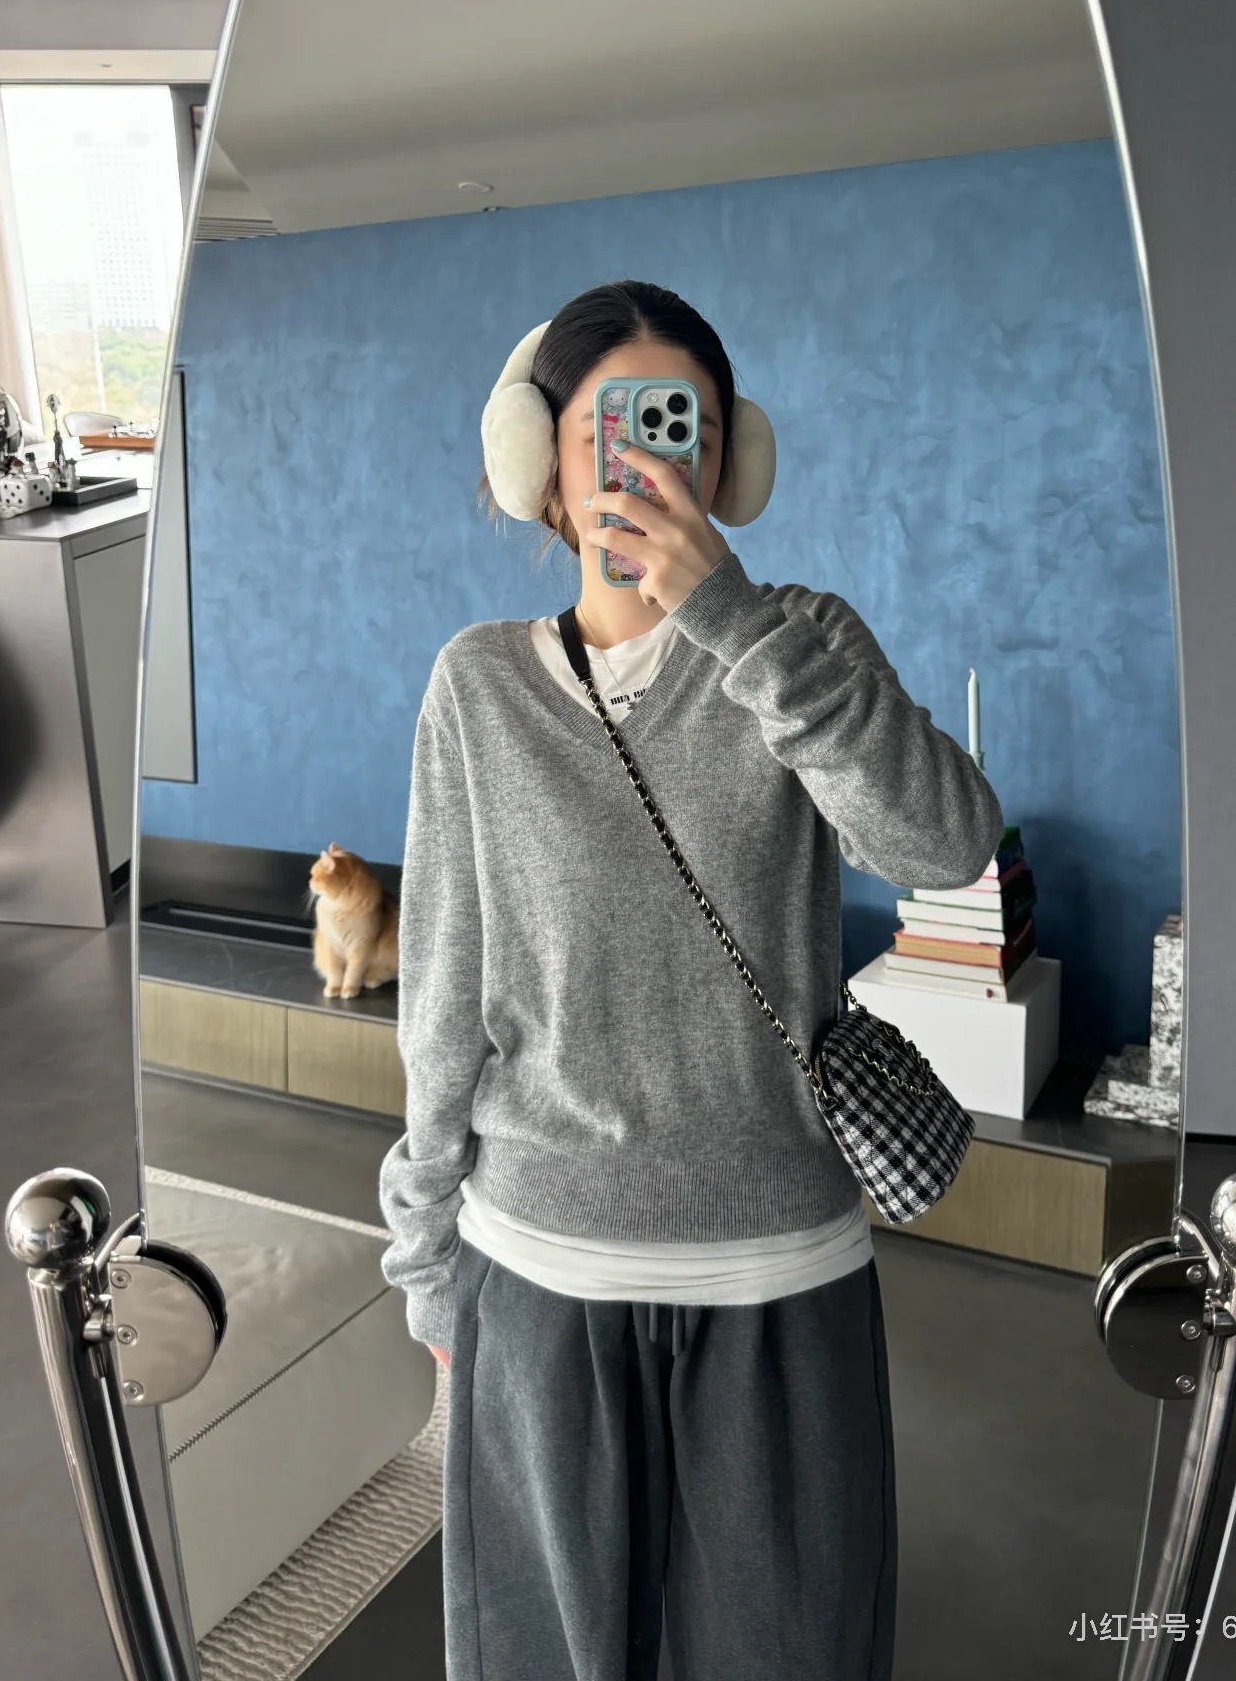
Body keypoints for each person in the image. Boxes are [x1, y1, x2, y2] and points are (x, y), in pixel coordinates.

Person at [378, 280, 1003, 1681]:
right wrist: (424, 1259)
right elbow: (445, 994)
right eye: (611, 430)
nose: (649, 465)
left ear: (730, 466)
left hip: (782, 1273)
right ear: (540, 468)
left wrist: (732, 621)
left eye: (688, 431)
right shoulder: (477, 686)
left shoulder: (802, 643)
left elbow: (944, 843)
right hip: (535, 1272)